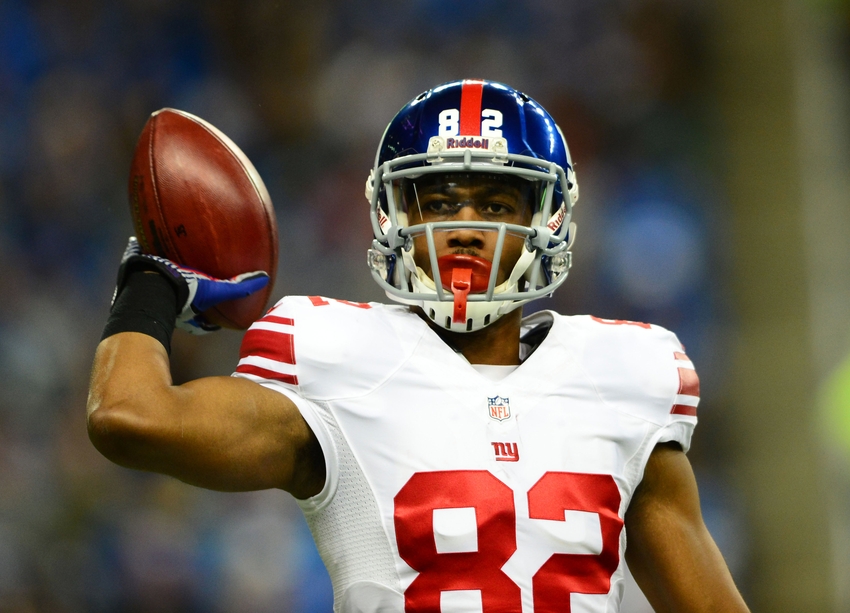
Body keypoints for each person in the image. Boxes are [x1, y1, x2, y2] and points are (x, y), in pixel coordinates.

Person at [87, 79, 750, 612]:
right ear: (392, 216)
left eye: (494, 205)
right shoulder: (334, 355)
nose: (463, 227)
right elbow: (130, 418)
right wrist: (154, 280)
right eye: (437, 202)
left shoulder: (626, 377)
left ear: (545, 222)